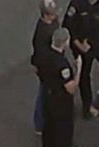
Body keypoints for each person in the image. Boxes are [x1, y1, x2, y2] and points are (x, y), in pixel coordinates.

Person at [38, 28, 84, 147]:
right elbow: (71, 88)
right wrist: (78, 70)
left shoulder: (44, 55)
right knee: (63, 136)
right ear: (65, 42)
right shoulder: (62, 65)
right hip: (61, 102)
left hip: (48, 97)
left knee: (48, 129)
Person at [31, 0, 61, 134]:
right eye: (52, 13)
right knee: (43, 93)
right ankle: (39, 122)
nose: (55, 15)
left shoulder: (53, 22)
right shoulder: (42, 33)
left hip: (54, 61)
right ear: (45, 15)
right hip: (47, 67)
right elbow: (41, 55)